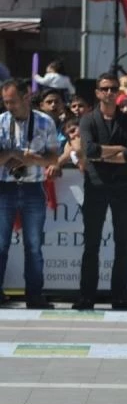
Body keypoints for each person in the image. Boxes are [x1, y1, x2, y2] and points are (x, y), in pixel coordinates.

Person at [74, 73, 127, 311]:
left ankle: (120, 297)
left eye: (113, 88)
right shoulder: (88, 120)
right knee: (91, 243)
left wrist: (106, 155)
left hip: (123, 189)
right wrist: (118, 152)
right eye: (105, 89)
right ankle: (86, 297)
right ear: (97, 92)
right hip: (96, 187)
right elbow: (90, 151)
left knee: (122, 244)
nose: (110, 92)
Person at [0, 78, 59, 309]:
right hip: (5, 188)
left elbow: (53, 158)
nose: (9, 106)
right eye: (5, 102)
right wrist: (15, 152)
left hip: (34, 187)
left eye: (13, 101)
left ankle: (34, 296)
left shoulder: (45, 122)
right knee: (1, 244)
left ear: (26, 97)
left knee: (33, 245)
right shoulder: (1, 122)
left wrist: (33, 159)